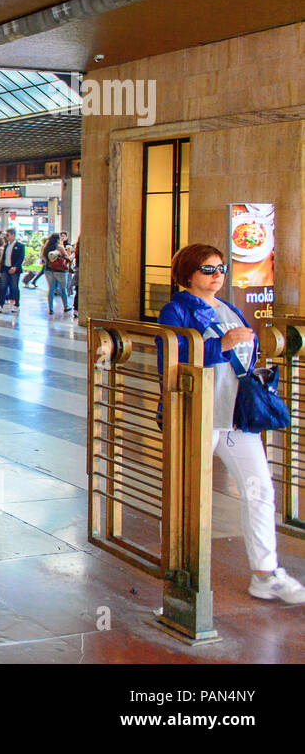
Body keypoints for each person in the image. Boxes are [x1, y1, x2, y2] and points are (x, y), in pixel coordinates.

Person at [158, 244, 305, 604]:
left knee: (259, 490)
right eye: (208, 269)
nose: (218, 275)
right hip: (199, 412)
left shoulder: (230, 308)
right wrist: (221, 345)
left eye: (221, 268)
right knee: (188, 495)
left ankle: (265, 573)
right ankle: (182, 572)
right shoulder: (176, 309)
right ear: (188, 274)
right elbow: (172, 360)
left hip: (234, 415)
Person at [0, 228, 25, 314]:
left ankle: (16, 304)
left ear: (13, 235)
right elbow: (3, 259)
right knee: (3, 286)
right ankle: (0, 304)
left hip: (14, 269)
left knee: (14, 287)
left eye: (8, 235)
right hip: (5, 269)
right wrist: (1, 271)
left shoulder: (20, 246)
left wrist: (15, 267)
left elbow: (21, 258)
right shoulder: (6, 246)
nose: (6, 237)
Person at [43, 233, 73, 315]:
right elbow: (67, 257)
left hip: (48, 270)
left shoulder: (46, 248)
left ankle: (51, 308)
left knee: (51, 289)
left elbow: (44, 258)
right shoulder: (59, 248)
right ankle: (66, 306)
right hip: (60, 271)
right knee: (63, 289)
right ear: (57, 239)